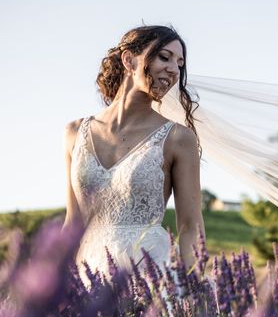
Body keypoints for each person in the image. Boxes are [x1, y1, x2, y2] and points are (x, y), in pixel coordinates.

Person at [62, 25, 205, 283]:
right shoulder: (74, 133)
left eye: (180, 63)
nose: (174, 69)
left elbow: (190, 226)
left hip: (152, 277)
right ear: (129, 59)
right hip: (88, 276)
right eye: (164, 57)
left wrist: (191, 289)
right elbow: (73, 223)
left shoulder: (178, 138)